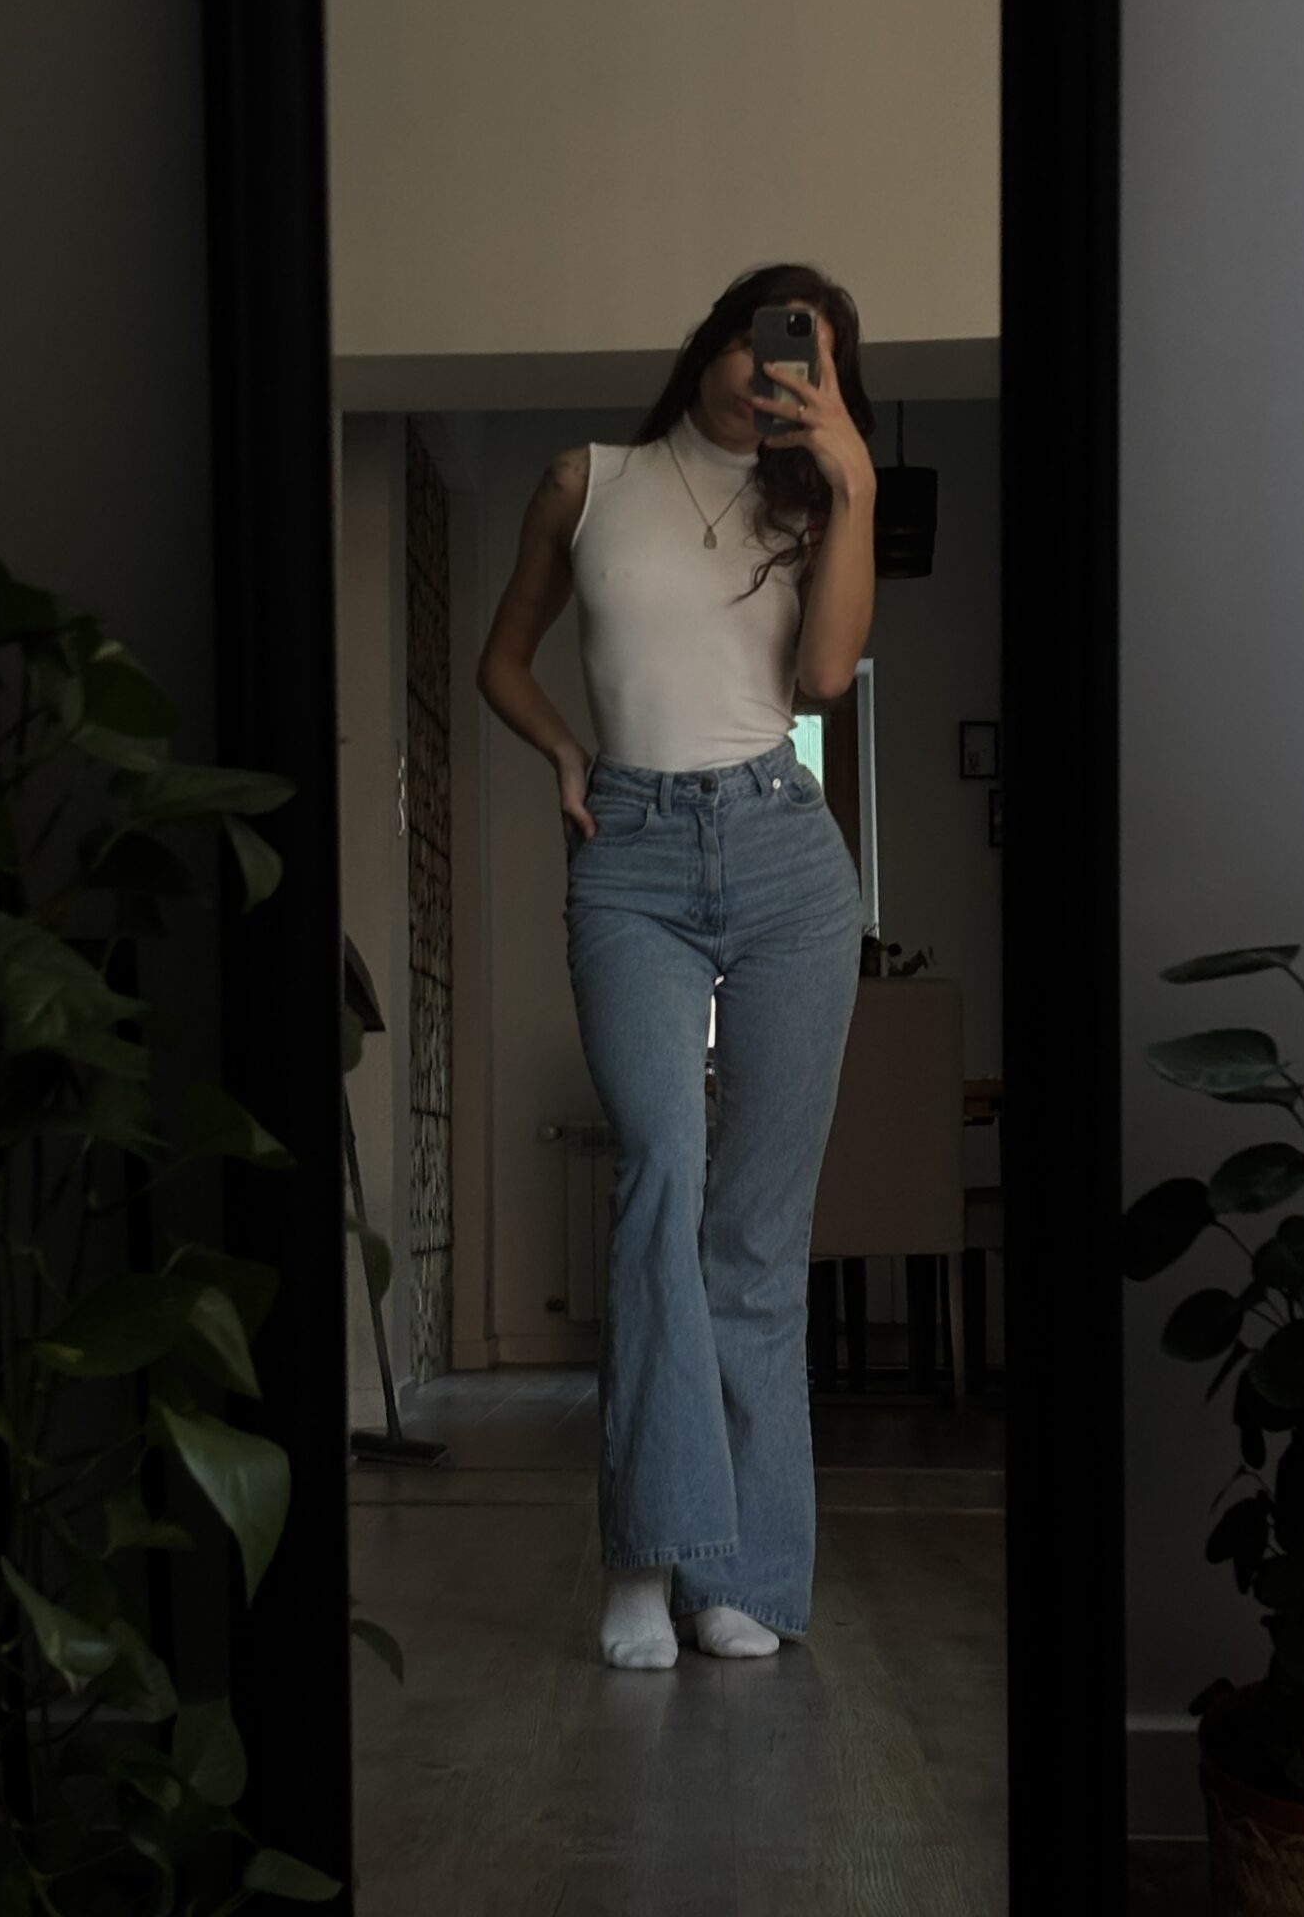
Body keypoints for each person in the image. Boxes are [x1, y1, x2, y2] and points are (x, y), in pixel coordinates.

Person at [475, 262, 877, 1668]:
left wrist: (852, 476)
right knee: (660, 1179)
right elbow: (506, 660)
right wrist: (564, 751)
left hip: (784, 858)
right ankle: (651, 1554)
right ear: (714, 341)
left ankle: (745, 1582)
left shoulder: (813, 507)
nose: (773, 371)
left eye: (808, 358)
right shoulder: (587, 481)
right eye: (763, 340)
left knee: (758, 1240)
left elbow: (823, 682)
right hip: (631, 859)